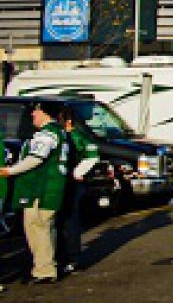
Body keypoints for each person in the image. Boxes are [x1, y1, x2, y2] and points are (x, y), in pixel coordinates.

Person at [0, 100, 68, 283]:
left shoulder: (47, 134)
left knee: (37, 228)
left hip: (41, 190)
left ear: (45, 113)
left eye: (36, 112)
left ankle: (44, 270)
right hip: (51, 189)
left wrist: (10, 171)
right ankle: (49, 265)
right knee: (46, 228)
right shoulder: (59, 132)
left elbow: (36, 158)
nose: (32, 115)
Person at [58, 107, 98, 274]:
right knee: (63, 220)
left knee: (70, 219)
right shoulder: (65, 135)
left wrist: (77, 172)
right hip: (65, 181)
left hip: (73, 183)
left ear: (68, 121)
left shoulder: (77, 136)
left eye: (60, 119)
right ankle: (65, 255)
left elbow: (93, 155)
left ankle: (72, 258)